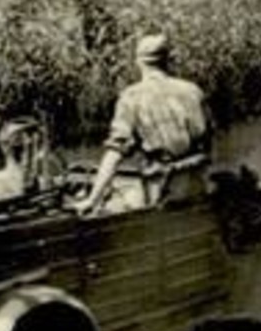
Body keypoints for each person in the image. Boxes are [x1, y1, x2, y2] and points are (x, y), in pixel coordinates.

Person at [74, 33, 211, 215]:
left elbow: (115, 152)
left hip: (162, 189)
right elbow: (208, 140)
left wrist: (92, 200)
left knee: (117, 201)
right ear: (167, 60)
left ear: (139, 62)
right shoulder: (193, 91)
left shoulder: (132, 97)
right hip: (197, 184)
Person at [0, 117, 44, 202]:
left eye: (35, 140)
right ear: (5, 147)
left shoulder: (43, 181)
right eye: (18, 138)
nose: (28, 142)